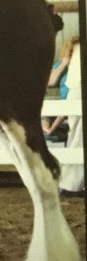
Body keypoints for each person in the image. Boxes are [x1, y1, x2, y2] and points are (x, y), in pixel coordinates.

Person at [59, 44, 85, 197]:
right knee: (79, 137)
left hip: (75, 90)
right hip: (80, 89)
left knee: (75, 136)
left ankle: (71, 182)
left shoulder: (78, 47)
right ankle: (72, 184)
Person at [42, 36, 80, 139]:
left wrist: (51, 129)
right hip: (61, 104)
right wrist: (64, 63)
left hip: (69, 105)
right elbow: (50, 81)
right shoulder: (62, 65)